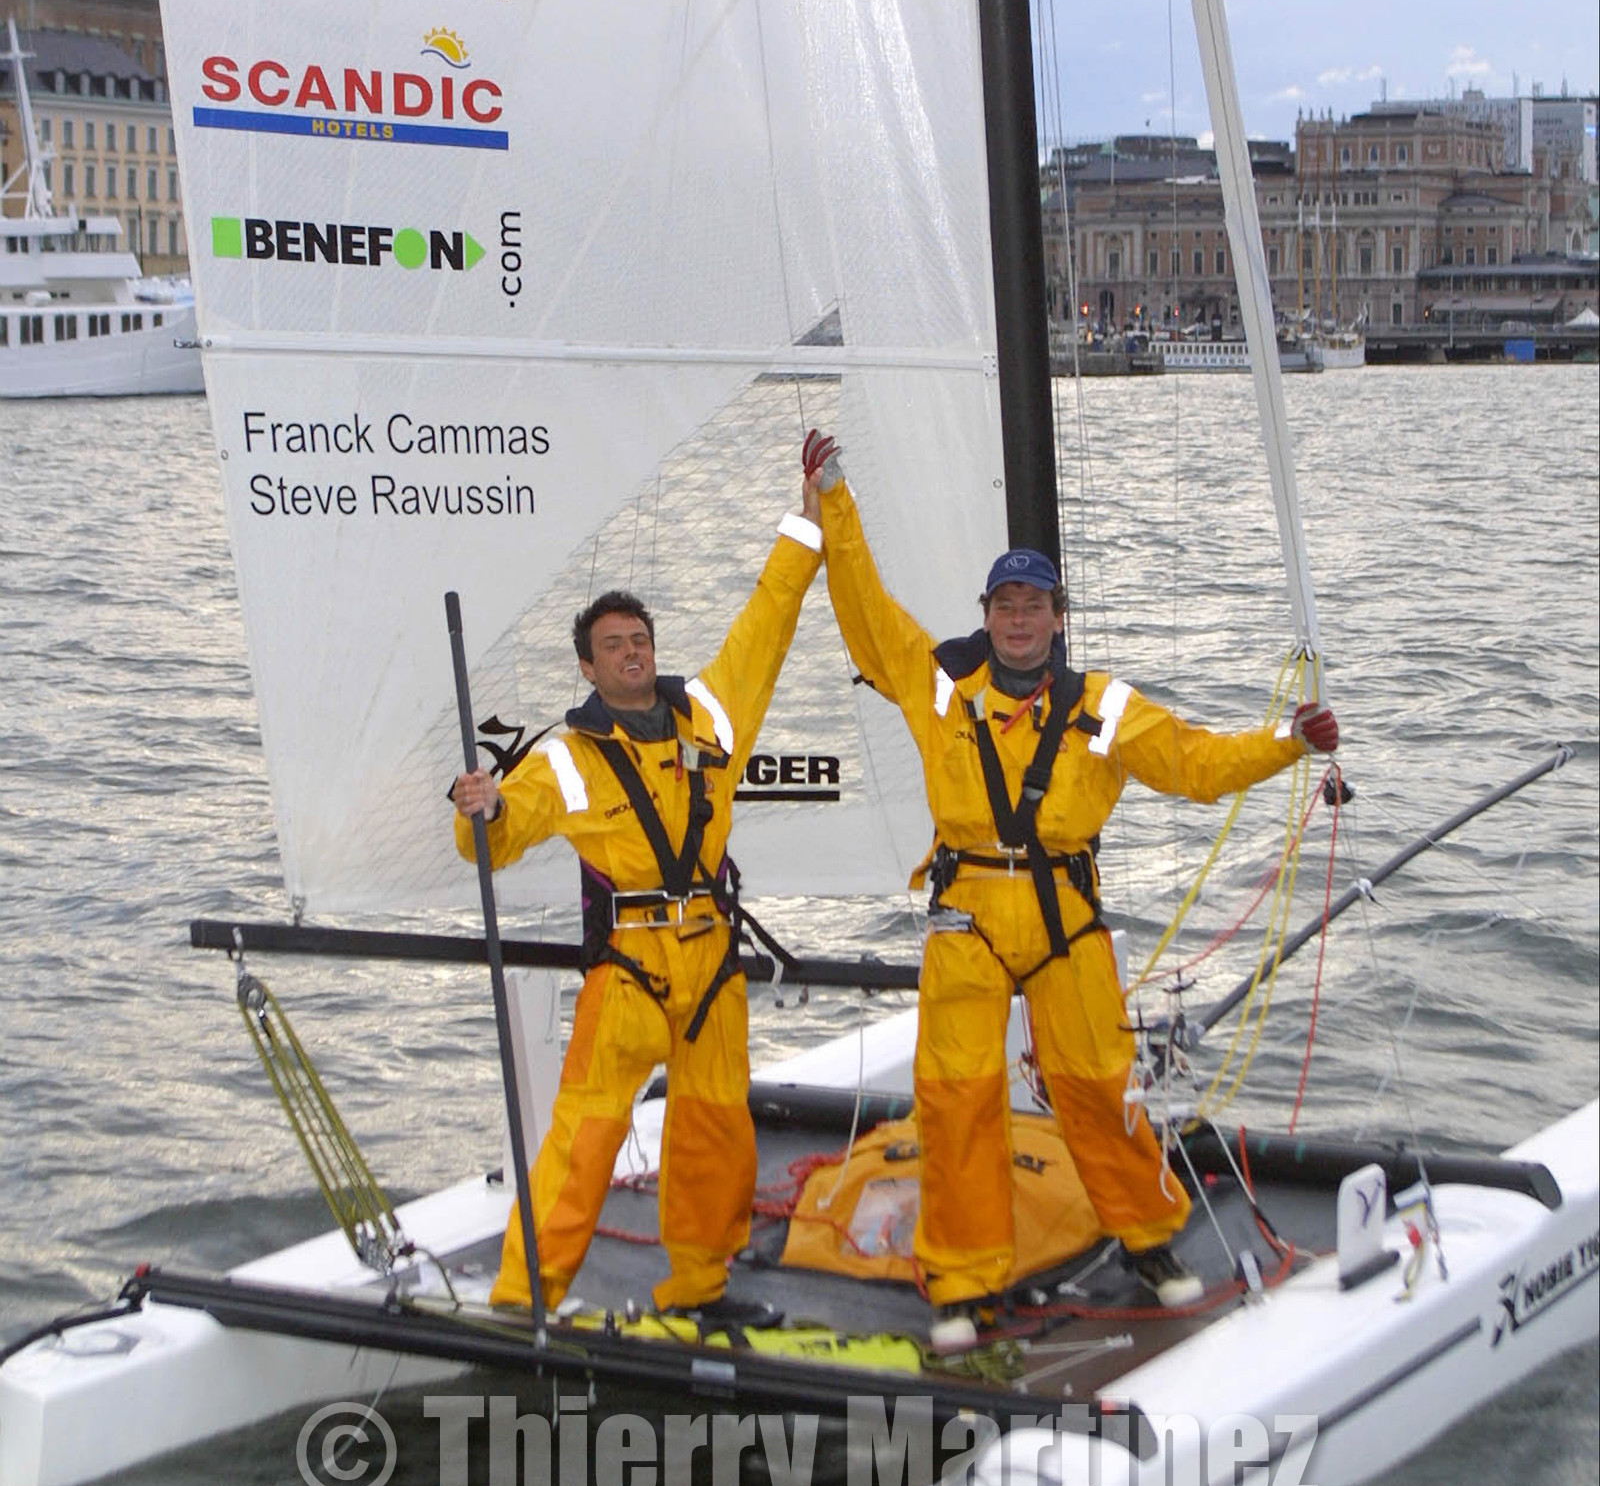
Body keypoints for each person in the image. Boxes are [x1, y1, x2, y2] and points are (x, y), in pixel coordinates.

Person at [800, 430, 1339, 1344]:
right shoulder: (937, 685)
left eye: (1034, 604)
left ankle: (1148, 1241)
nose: (1018, 619)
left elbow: (1196, 764)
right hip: (967, 917)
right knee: (957, 1098)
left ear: (1059, 615)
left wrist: (1288, 740)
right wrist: (834, 499)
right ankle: (963, 1282)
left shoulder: (1107, 707)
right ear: (988, 610)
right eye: (1004, 603)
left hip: (1066, 919)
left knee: (1097, 1088)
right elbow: (864, 610)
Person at [451, 485, 823, 1323]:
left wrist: (807, 521)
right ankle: (522, 1299)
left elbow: (767, 624)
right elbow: (498, 837)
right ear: (586, 666)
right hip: (627, 977)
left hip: (712, 972)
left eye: (640, 640)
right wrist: (482, 807)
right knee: (584, 1140)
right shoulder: (567, 760)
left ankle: (701, 1286)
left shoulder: (713, 720)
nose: (631, 654)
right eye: (613, 645)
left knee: (717, 1137)